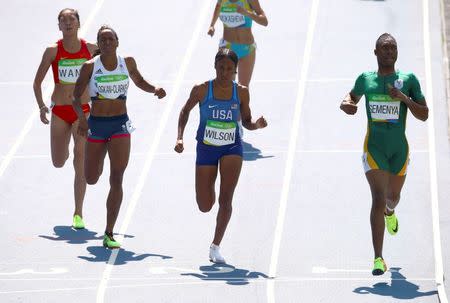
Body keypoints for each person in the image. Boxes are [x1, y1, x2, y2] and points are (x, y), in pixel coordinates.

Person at [340, 33, 429, 275]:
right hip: (374, 149)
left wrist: (404, 99)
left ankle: (391, 212)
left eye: (393, 48)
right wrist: (346, 104)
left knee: (392, 198)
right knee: (378, 198)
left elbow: (424, 114)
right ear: (376, 52)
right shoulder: (365, 79)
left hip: (399, 150)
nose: (390, 51)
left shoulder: (408, 80)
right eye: (385, 48)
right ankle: (378, 258)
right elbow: (351, 97)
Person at [72, 25, 166, 249]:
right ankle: (97, 160)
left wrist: (155, 89)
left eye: (110, 39)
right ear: (98, 44)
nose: (106, 43)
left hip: (120, 125)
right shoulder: (89, 67)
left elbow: (139, 81)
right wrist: (83, 120)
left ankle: (109, 232)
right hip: (96, 125)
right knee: (92, 177)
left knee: (117, 178)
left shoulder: (127, 62)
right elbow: (75, 97)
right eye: (102, 40)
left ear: (117, 42)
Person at [174, 49, 267, 263]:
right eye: (221, 68)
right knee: (205, 205)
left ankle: (215, 246)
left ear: (235, 71)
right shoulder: (201, 90)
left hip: (231, 148)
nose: (225, 73)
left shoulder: (241, 92)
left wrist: (256, 126)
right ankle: (209, 189)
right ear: (215, 67)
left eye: (229, 69)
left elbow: (247, 121)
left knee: (226, 200)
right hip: (206, 148)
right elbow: (184, 111)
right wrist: (180, 137)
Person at [33, 8, 97, 229]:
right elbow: (37, 83)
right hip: (60, 111)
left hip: (83, 111)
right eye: (63, 20)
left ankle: (78, 212)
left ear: (79, 23)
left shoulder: (91, 49)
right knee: (59, 161)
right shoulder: (52, 51)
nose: (68, 22)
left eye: (72, 19)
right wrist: (42, 106)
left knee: (80, 161)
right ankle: (66, 149)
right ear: (58, 26)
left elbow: (111, 66)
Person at [207, 0, 268, 87]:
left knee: (243, 88)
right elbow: (217, 8)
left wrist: (247, 13)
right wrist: (212, 25)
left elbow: (265, 22)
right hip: (228, 48)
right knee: (226, 86)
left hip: (246, 49)